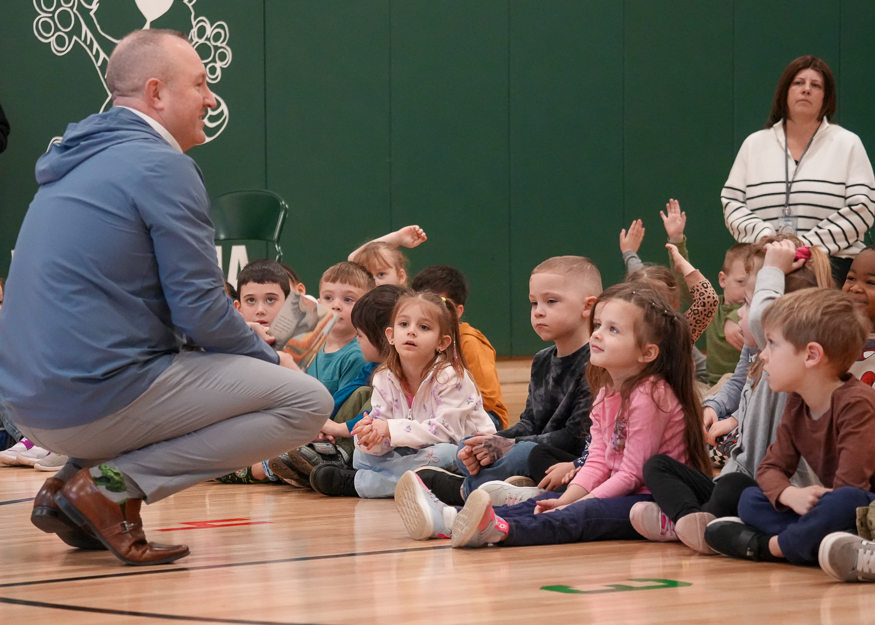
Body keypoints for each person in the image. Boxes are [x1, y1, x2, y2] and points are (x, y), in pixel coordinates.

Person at [0, 30, 332, 566]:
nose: (211, 99)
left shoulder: (76, 159)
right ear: (156, 93)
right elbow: (200, 310)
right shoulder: (162, 165)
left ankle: (65, 490)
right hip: (88, 399)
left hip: (25, 404)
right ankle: (107, 489)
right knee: (305, 401)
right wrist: (272, 358)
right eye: (200, 84)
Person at [394, 283, 711, 546]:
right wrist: (567, 497)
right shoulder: (606, 392)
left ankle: (501, 530)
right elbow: (597, 460)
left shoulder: (651, 395)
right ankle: (451, 520)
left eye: (613, 329)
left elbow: (632, 474)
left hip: (649, 499)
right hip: (617, 488)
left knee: (578, 516)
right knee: (546, 502)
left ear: (647, 353)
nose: (597, 335)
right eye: (598, 326)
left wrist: (580, 502)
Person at [631, 239, 825, 554]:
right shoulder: (758, 353)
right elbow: (740, 387)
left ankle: (696, 525)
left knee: (735, 489)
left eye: (748, 304)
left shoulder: (791, 367)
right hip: (735, 477)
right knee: (658, 466)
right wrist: (719, 410)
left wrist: (773, 270)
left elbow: (762, 320)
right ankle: (692, 520)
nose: (739, 313)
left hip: (767, 489)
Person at [703, 288, 875, 581]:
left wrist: (799, 521)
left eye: (772, 344)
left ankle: (770, 547)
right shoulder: (797, 401)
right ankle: (828, 547)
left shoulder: (857, 404)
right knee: (749, 499)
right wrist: (788, 494)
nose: (763, 355)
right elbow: (770, 468)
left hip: (865, 511)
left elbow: (852, 490)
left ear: (811, 355)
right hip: (834, 512)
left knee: (843, 501)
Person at [416, 256, 600, 506]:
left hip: (570, 462)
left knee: (525, 453)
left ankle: (464, 490)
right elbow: (530, 422)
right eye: (534, 303)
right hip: (535, 451)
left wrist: (509, 445)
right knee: (467, 445)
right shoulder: (542, 360)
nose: (539, 311)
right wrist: (491, 442)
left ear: (588, 307)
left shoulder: (596, 364)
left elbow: (574, 438)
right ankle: (510, 488)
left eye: (551, 301)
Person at [309, 292, 495, 498]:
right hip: (412, 451)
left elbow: (447, 433)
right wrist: (369, 436)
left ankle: (358, 483)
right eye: (404, 324)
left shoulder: (451, 377)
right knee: (361, 455)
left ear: (442, 343)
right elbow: (382, 430)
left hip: (463, 453)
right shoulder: (383, 377)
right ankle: (397, 480)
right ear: (390, 335)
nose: (411, 331)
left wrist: (389, 429)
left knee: (444, 454)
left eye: (424, 327)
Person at [721, 55, 875, 286]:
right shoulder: (754, 144)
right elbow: (732, 202)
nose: (806, 89)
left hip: (831, 268)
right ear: (784, 92)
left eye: (816, 85)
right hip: (766, 264)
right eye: (798, 83)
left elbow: (863, 208)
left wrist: (805, 246)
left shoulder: (848, 143)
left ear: (826, 97)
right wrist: (765, 238)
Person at [268, 284, 410, 486]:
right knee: (359, 393)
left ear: (383, 338)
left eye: (360, 335)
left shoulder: (398, 374)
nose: (357, 341)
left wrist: (337, 428)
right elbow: (345, 394)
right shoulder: (372, 367)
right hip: (359, 436)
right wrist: (321, 422)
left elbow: (378, 416)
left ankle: (339, 456)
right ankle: (316, 464)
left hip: (384, 444)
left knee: (365, 393)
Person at [411, 264, 509, 429]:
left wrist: (447, 403)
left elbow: (489, 399)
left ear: (457, 311)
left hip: (485, 417)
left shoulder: (469, 342)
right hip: (437, 412)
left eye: (438, 304)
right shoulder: (416, 339)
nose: (428, 313)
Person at [307, 262, 375, 395]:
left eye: (348, 299)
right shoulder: (308, 343)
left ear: (365, 308)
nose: (336, 305)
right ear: (318, 304)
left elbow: (342, 406)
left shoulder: (358, 356)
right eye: (328, 298)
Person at [348, 225, 427, 286]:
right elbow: (353, 259)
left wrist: (398, 238)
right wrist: (397, 237)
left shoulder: (408, 301)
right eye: (368, 277)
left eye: (381, 274)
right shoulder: (361, 301)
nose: (374, 283)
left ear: (400, 277)